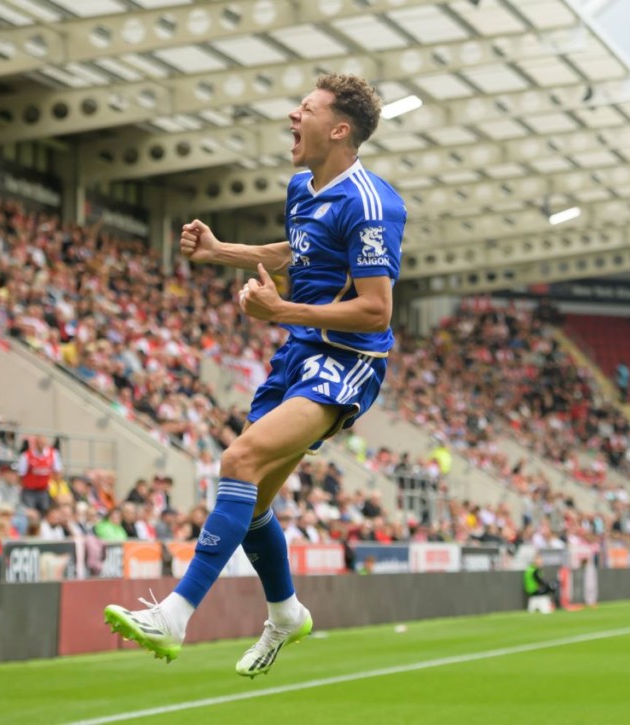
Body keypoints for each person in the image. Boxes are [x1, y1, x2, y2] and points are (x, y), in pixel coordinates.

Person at [104, 73, 405, 678]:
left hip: (346, 361)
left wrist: (281, 311)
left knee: (237, 463)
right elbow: (300, 251)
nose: (293, 118)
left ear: (339, 129)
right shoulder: (302, 187)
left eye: (306, 110)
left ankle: (174, 614)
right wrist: (221, 252)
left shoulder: (373, 204)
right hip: (297, 354)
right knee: (253, 503)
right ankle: (287, 612)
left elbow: (377, 309)